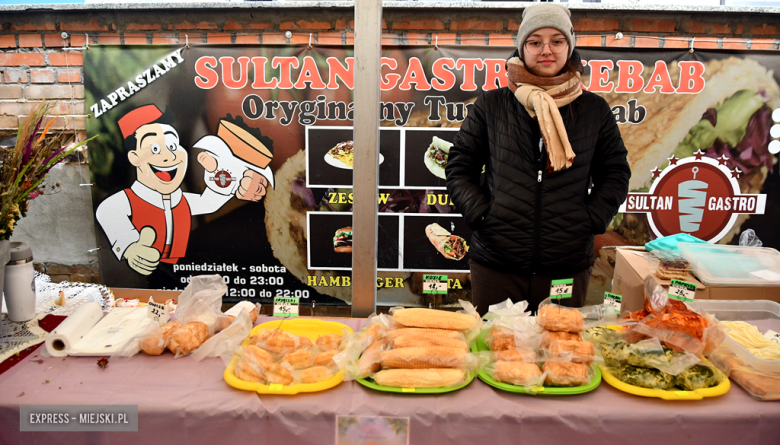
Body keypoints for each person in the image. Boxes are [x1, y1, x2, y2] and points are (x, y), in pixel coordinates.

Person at [446, 4, 631, 315]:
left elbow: (615, 173)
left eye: (557, 41)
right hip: (497, 262)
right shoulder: (492, 105)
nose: (546, 50)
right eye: (535, 42)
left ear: (569, 47)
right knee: (494, 355)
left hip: (566, 265)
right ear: (522, 48)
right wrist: (482, 214)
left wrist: (591, 220)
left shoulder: (594, 110)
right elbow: (459, 167)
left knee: (558, 355)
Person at [96, 104, 269, 276]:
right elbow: (106, 211)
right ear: (135, 157)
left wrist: (232, 183)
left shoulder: (179, 199)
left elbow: (208, 203)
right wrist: (130, 246)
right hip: (154, 278)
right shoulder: (131, 199)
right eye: (155, 149)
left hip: (184, 271)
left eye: (172, 146)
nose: (169, 157)